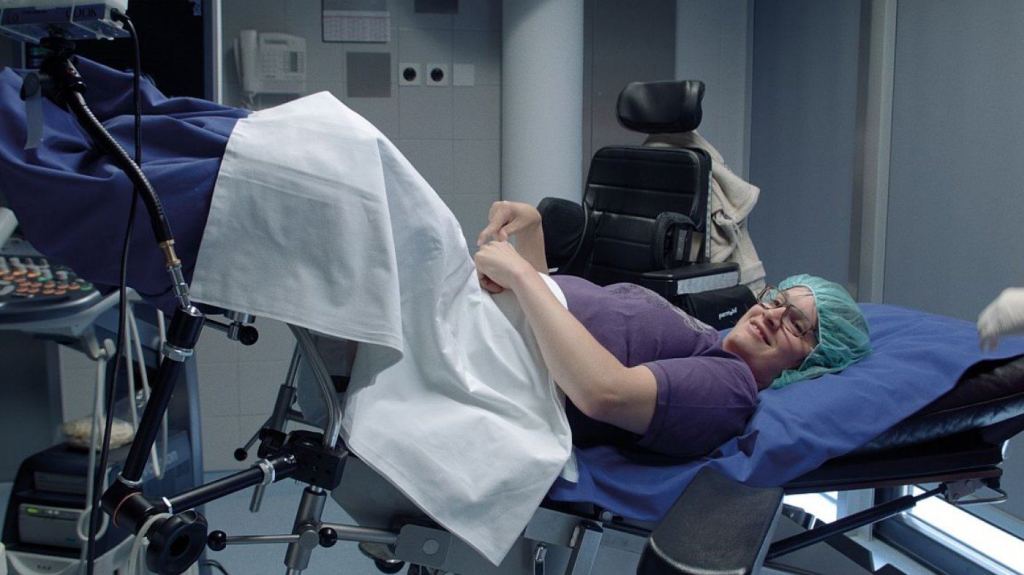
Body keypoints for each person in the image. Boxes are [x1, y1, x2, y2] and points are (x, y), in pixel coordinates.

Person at [474, 200, 872, 458]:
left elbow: (603, 393)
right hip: (502, 324)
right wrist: (531, 232)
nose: (772, 315)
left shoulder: (731, 387)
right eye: (776, 301)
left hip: (495, 358)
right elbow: (563, 326)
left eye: (795, 324)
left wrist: (523, 277)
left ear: (814, 362)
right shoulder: (708, 340)